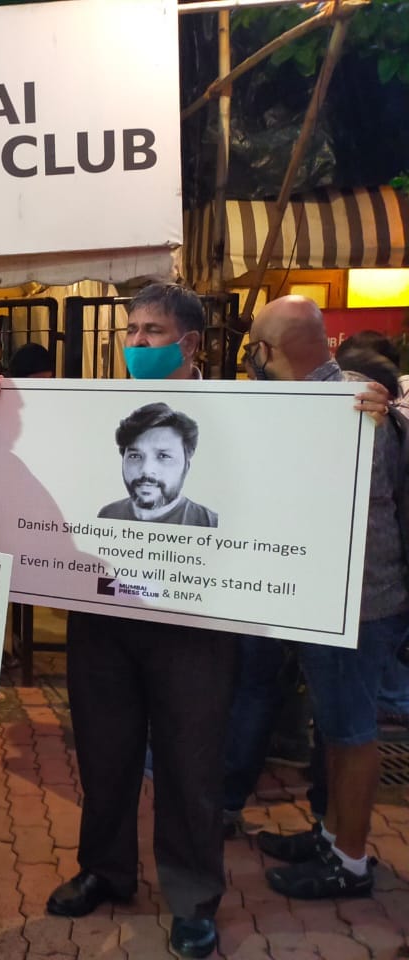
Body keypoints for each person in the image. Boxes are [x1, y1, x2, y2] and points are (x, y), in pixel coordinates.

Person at [0, 284, 234, 958]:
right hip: (104, 615)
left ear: (192, 344)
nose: (137, 343)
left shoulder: (244, 413)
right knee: (105, 752)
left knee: (188, 761)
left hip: (194, 625)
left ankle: (192, 897)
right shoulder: (97, 411)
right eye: (131, 331)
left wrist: (363, 415)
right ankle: (106, 869)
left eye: (153, 332)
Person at [242, 296, 409, 900]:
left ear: (270, 351)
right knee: (333, 728)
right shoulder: (321, 402)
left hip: (356, 603)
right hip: (327, 600)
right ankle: (331, 834)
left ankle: (351, 861)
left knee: (350, 732)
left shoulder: (357, 407)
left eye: (254, 347)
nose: (251, 360)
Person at [97, 403, 217, 527]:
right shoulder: (107, 515)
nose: (146, 470)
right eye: (135, 456)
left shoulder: (208, 523)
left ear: (186, 467)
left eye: (163, 456)